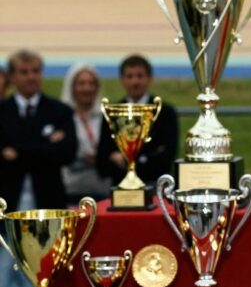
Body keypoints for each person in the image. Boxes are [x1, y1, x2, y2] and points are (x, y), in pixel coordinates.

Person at [0, 50, 78, 210]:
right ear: (12, 77)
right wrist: (46, 146)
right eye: (24, 72)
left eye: (35, 71)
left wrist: (17, 153)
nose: (31, 77)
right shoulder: (2, 111)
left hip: (49, 203)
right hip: (7, 203)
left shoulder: (60, 111)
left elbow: (68, 152)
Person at [96, 54, 178, 186]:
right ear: (121, 79)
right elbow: (102, 162)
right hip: (120, 186)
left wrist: (126, 161)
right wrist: (146, 158)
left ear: (150, 78)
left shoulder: (165, 113)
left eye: (140, 76)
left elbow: (166, 158)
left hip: (155, 186)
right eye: (130, 76)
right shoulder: (112, 113)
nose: (135, 82)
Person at [60, 63, 110, 204]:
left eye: (91, 83)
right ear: (72, 87)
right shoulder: (62, 116)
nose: (87, 88)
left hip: (102, 190)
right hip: (70, 190)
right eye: (81, 83)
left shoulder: (107, 116)